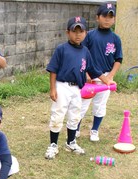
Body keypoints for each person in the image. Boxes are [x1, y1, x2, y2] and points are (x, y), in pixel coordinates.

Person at [44, 16, 115, 160]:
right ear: (67, 32)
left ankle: (71, 142)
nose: (78, 34)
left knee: (75, 115)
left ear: (85, 33)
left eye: (81, 31)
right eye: (74, 31)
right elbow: (53, 70)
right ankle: (53, 145)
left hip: (77, 88)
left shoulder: (85, 51)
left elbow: (93, 69)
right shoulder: (61, 49)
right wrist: (53, 89)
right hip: (62, 86)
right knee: (58, 115)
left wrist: (106, 80)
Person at [77, 3, 122, 142]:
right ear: (97, 17)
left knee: (100, 106)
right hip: (89, 79)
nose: (107, 19)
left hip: (106, 78)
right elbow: (81, 55)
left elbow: (118, 59)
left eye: (111, 16)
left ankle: (94, 130)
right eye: (104, 16)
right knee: (82, 105)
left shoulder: (115, 39)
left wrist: (110, 76)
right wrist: (86, 74)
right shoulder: (89, 36)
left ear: (114, 19)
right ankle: (76, 128)